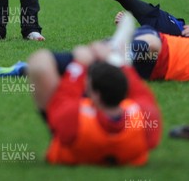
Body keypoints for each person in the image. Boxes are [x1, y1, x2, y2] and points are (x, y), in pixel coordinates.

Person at [28, 39, 161, 165]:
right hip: (125, 151)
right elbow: (140, 92)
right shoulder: (145, 118)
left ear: (94, 96)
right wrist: (116, 61)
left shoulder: (72, 121)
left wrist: (79, 64)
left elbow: (64, 97)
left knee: (39, 63)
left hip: (74, 147)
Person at [0, 22, 189, 82]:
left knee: (97, 66)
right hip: (156, 45)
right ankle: (30, 66)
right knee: (105, 53)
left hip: (153, 66)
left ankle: (27, 68)